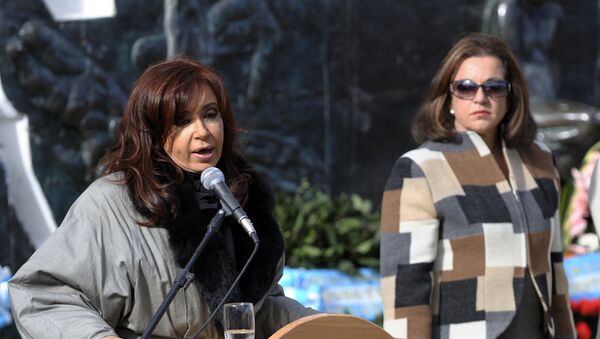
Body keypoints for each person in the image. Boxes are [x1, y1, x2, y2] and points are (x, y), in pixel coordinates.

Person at [8, 57, 317, 338]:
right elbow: (44, 296)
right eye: (182, 121)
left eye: (210, 114)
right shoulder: (111, 205)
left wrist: (326, 326)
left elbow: (260, 309)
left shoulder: (237, 200)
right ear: (153, 132)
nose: (202, 131)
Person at [379, 33, 575, 339]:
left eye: (494, 87)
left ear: (511, 95)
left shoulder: (539, 161)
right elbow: (405, 287)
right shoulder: (421, 167)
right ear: (449, 96)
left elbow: (555, 270)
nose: (480, 98)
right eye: (466, 87)